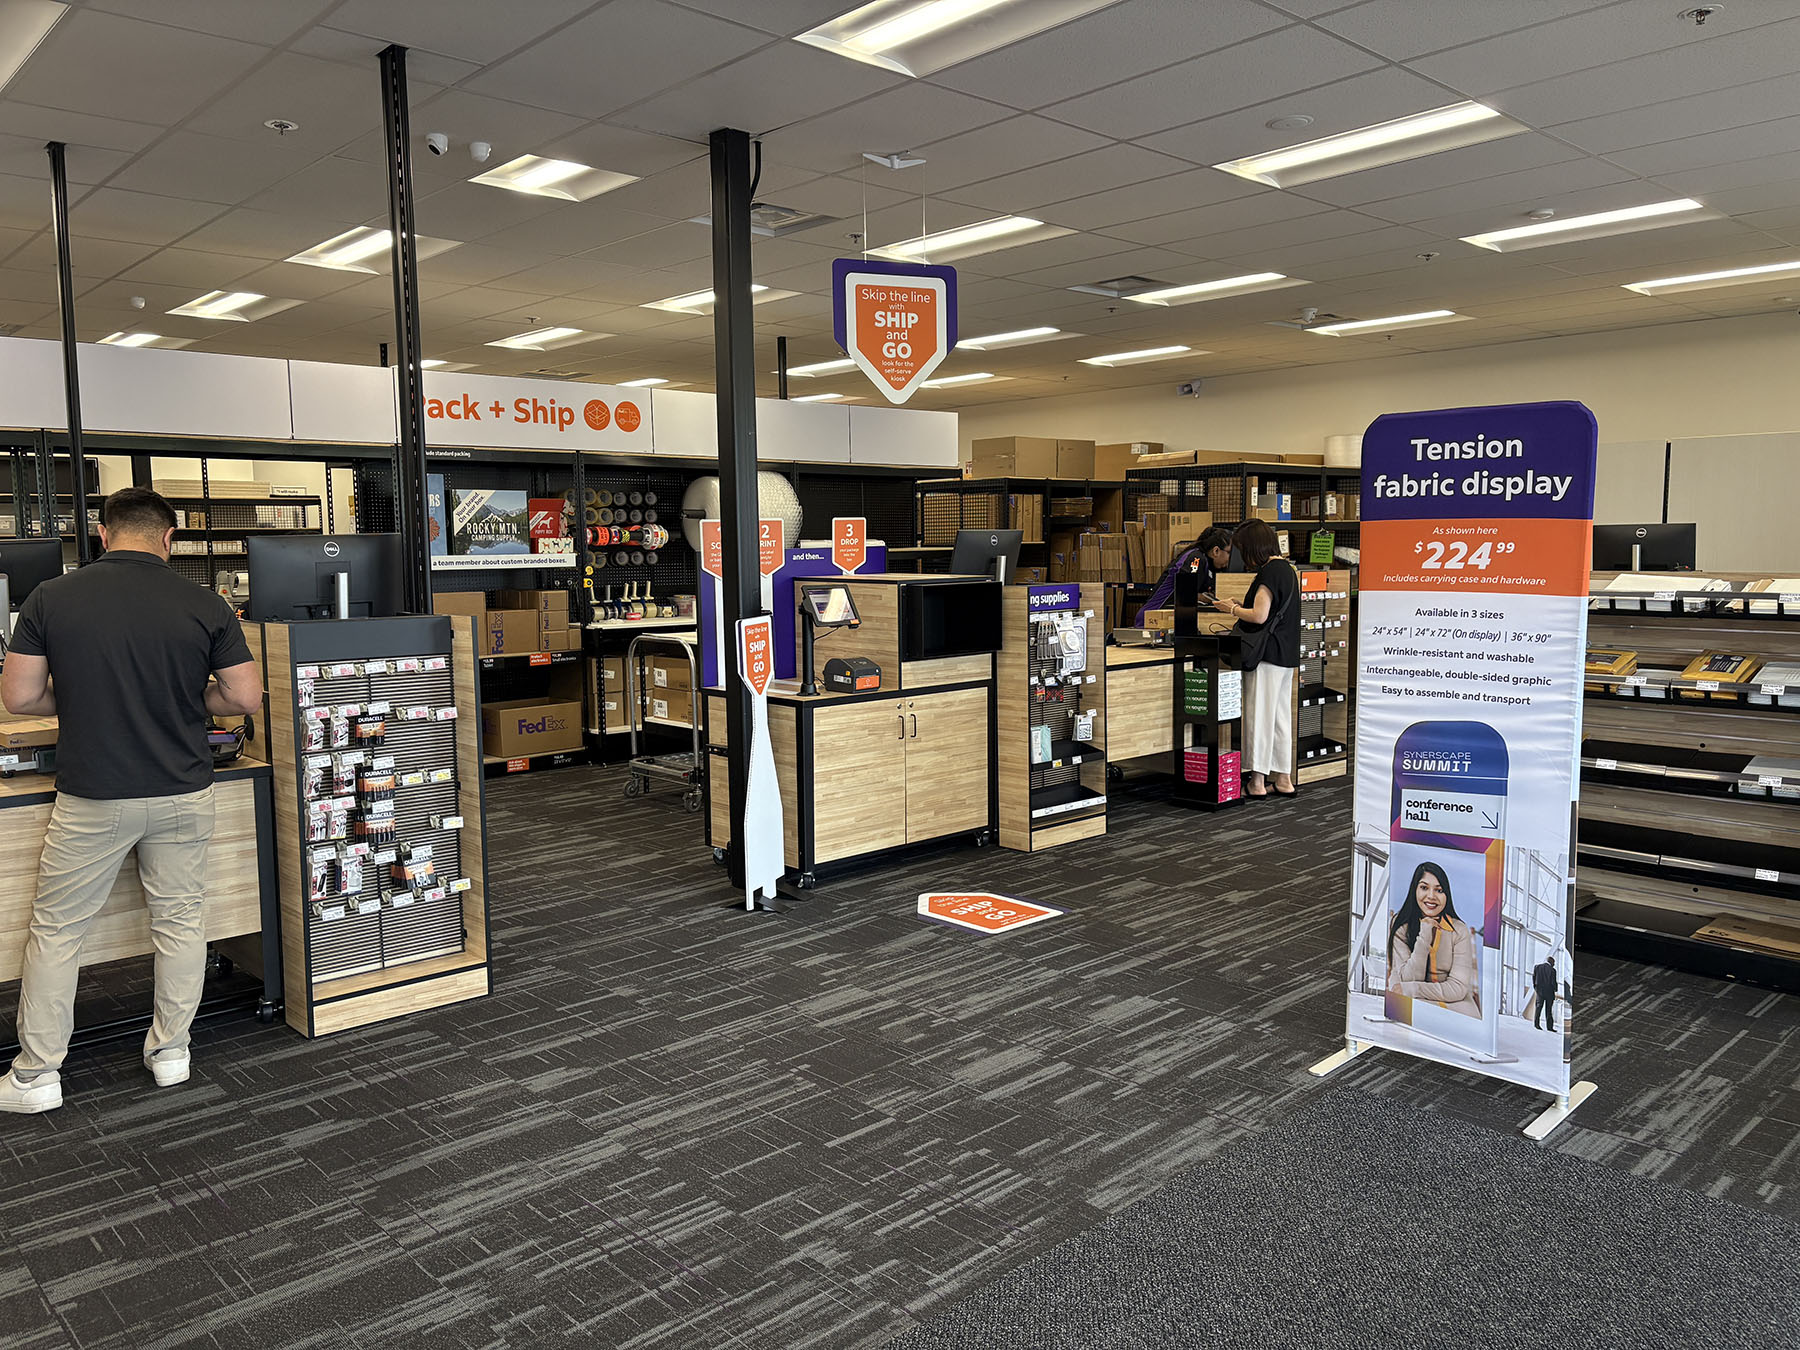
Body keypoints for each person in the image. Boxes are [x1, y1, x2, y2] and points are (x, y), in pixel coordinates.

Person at [0, 487, 264, 1115]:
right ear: (168, 539)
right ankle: (172, 1051)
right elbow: (246, 698)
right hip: (183, 790)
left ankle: (38, 1076)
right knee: (180, 923)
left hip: (94, 795)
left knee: (59, 931)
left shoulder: (50, 598)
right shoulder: (206, 603)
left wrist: (90, 698)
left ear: (101, 532)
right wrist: (184, 700)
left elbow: (20, 698)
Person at [1211, 519, 1300, 798]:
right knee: (1279, 718)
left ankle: (1257, 782)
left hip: (1265, 655)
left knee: (1258, 716)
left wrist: (1233, 608)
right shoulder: (1288, 569)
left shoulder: (1268, 572)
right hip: (1285, 654)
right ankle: (1284, 779)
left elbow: (1259, 616)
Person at [1387, 860, 1480, 1018]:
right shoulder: (1400, 926)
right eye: (1424, 887)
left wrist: (1413, 989)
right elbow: (1408, 978)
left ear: (1446, 895)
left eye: (1439, 890)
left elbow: (1457, 988)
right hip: (1413, 1000)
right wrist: (1425, 933)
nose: (1431, 896)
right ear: (1414, 890)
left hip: (1455, 1004)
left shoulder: (1459, 930)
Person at [1135, 525, 1234, 624]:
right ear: (1216, 551)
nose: (1231, 558)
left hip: (1169, 619)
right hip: (1153, 619)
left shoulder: (1208, 565)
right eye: (1229, 552)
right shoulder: (1195, 558)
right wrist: (1209, 599)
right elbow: (1186, 594)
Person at [1533, 953, 1560, 1031]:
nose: (1554, 964)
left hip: (1539, 991)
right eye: (1554, 963)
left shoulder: (1537, 967)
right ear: (1551, 962)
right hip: (1549, 992)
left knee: (1538, 1007)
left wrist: (1536, 988)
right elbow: (1553, 982)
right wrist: (1556, 989)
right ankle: (1549, 1027)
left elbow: (1534, 978)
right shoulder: (1552, 970)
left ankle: (1536, 1024)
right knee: (1548, 1010)